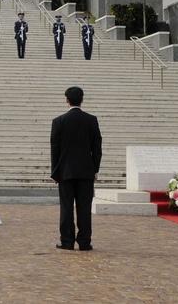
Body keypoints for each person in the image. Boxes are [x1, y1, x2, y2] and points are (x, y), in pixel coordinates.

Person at [50, 86, 101, 251]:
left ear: (66, 100)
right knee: (84, 208)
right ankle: (85, 242)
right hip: (86, 171)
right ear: (82, 99)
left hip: (65, 171)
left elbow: (55, 149)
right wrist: (95, 169)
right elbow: (97, 148)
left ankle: (67, 241)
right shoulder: (91, 120)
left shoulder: (58, 121)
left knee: (66, 207)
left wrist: (55, 172)